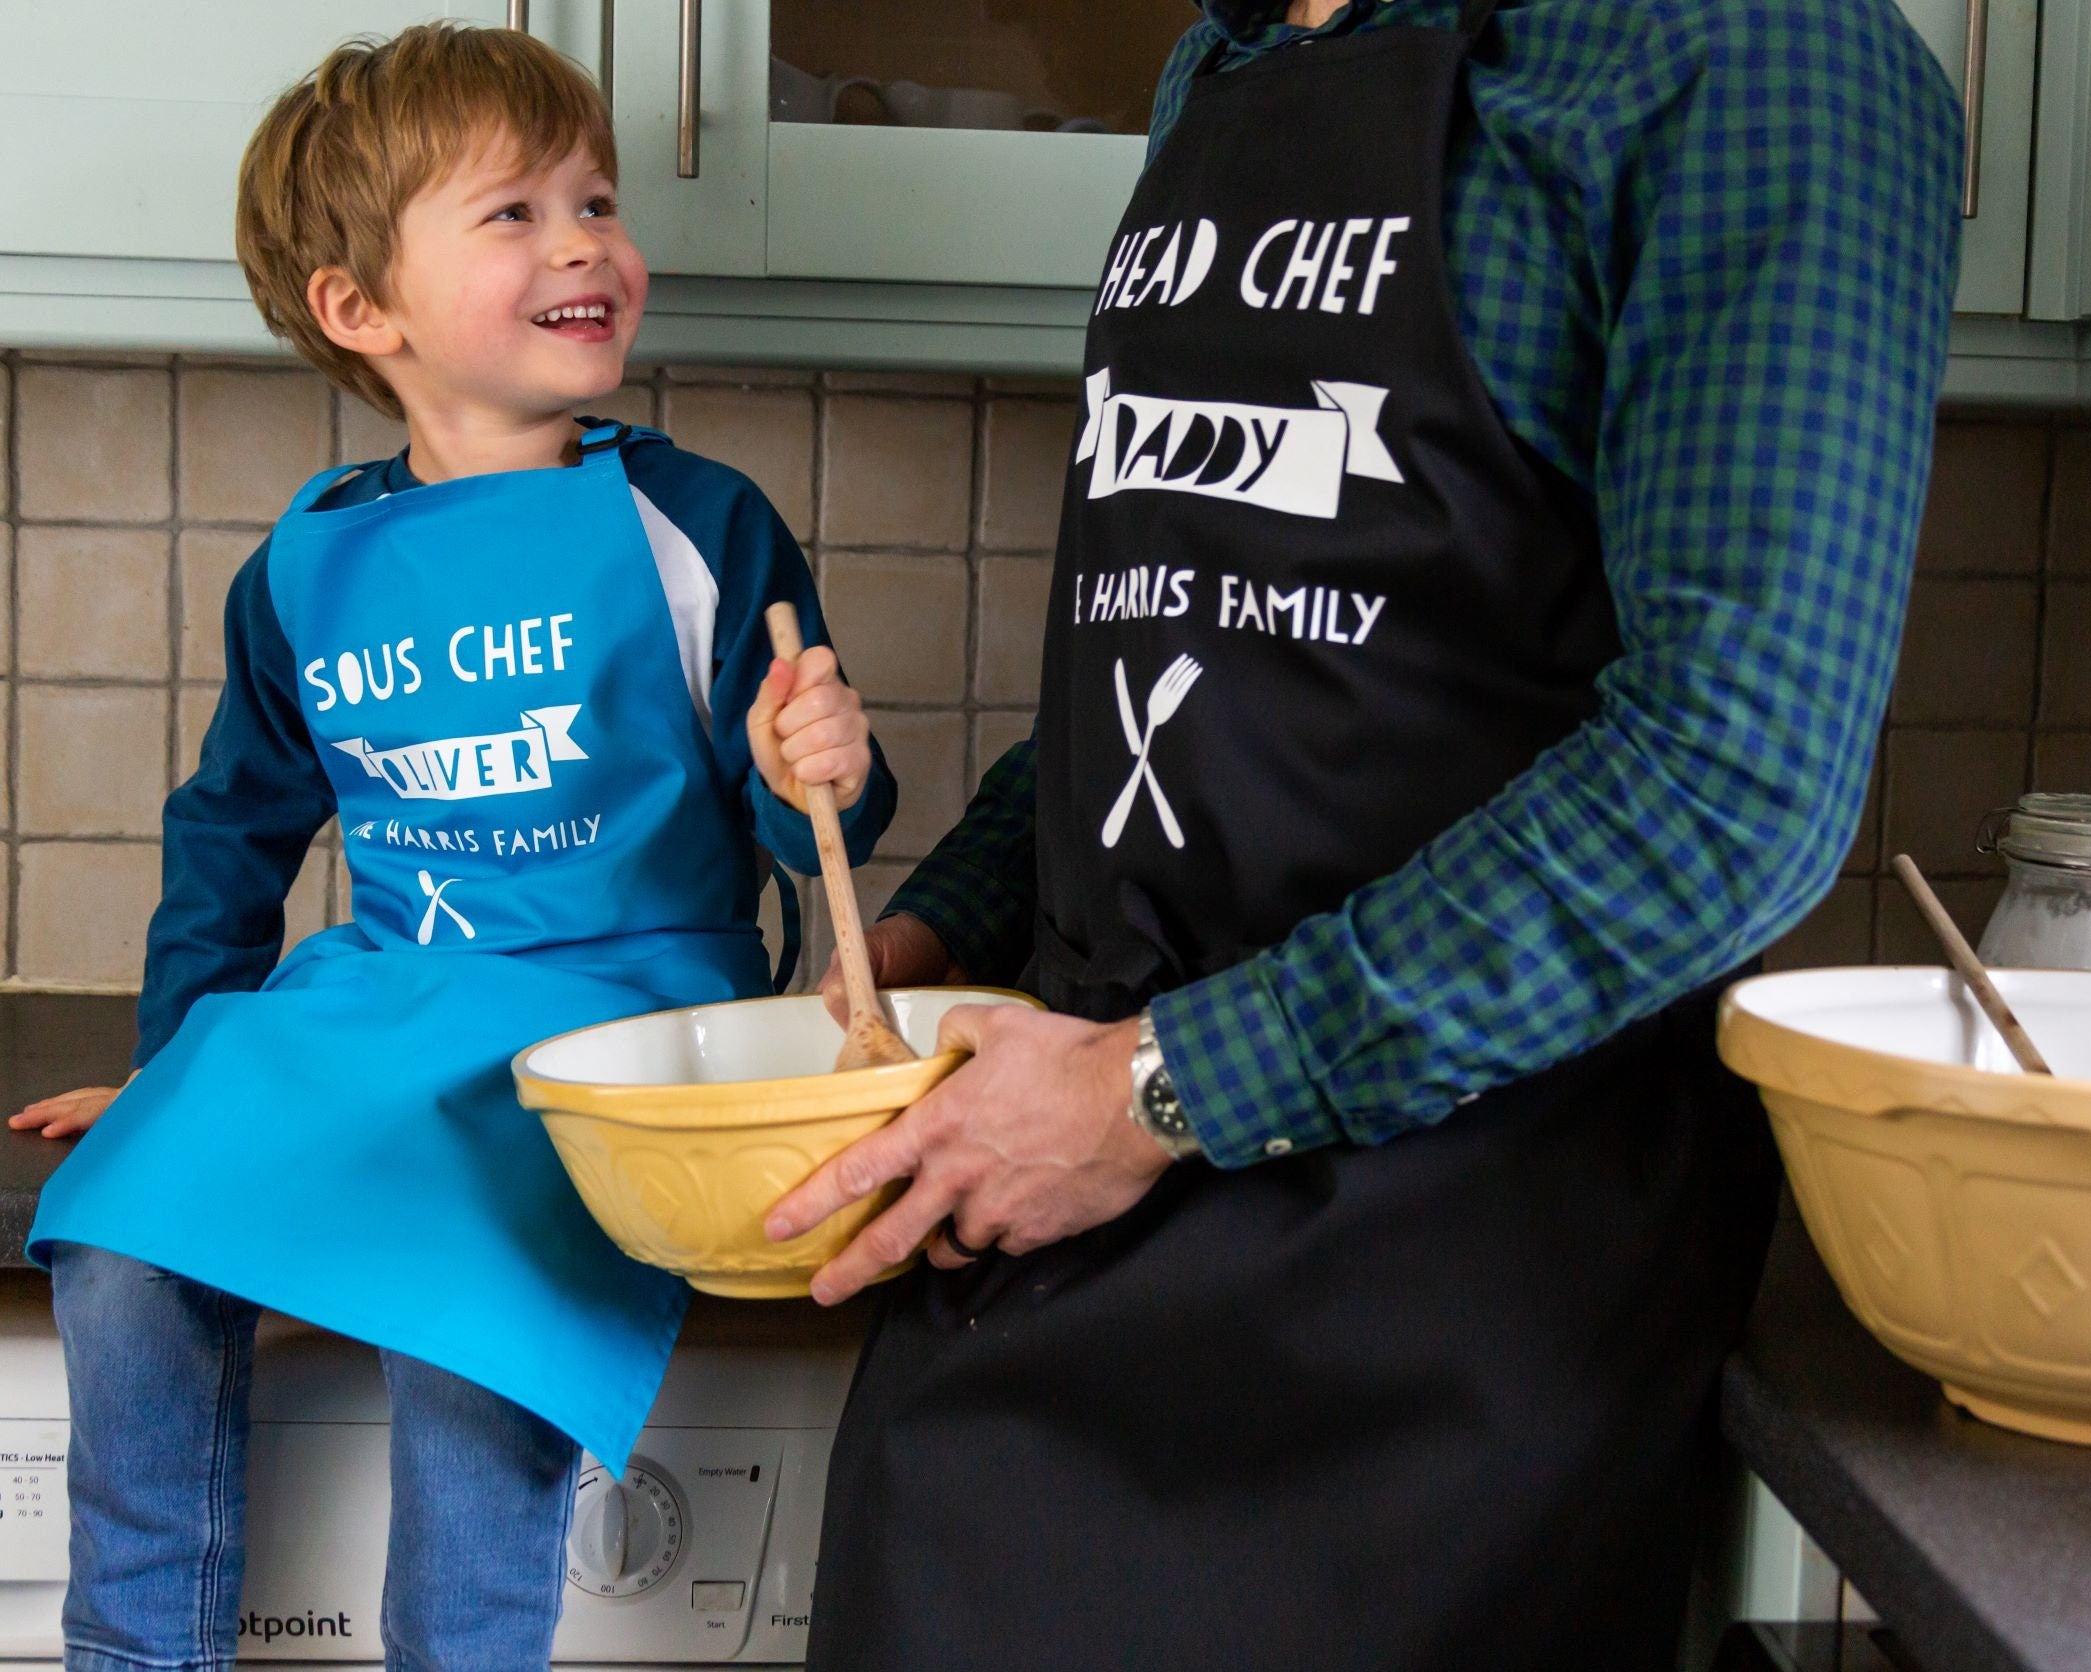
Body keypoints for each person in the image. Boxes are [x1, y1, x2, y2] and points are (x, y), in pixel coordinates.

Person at [773, 0, 1963, 1665]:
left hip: (1440, 1321)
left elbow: (1732, 780)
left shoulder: (1757, 55)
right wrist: (936, 928)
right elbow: (1188, 634)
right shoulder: (1233, 58)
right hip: (1052, 1240)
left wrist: (1152, 1089)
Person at [9, 25, 895, 1671]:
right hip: (396, 992)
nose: (585, 245)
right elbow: (233, 833)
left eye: (598, 203)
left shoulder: (698, 524)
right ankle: (138, 1650)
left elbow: (812, 826)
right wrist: (178, 1068)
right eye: (515, 214)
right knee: (123, 1239)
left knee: (470, 1319)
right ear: (362, 308)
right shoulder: (306, 563)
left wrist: (812, 763)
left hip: (622, 1007)